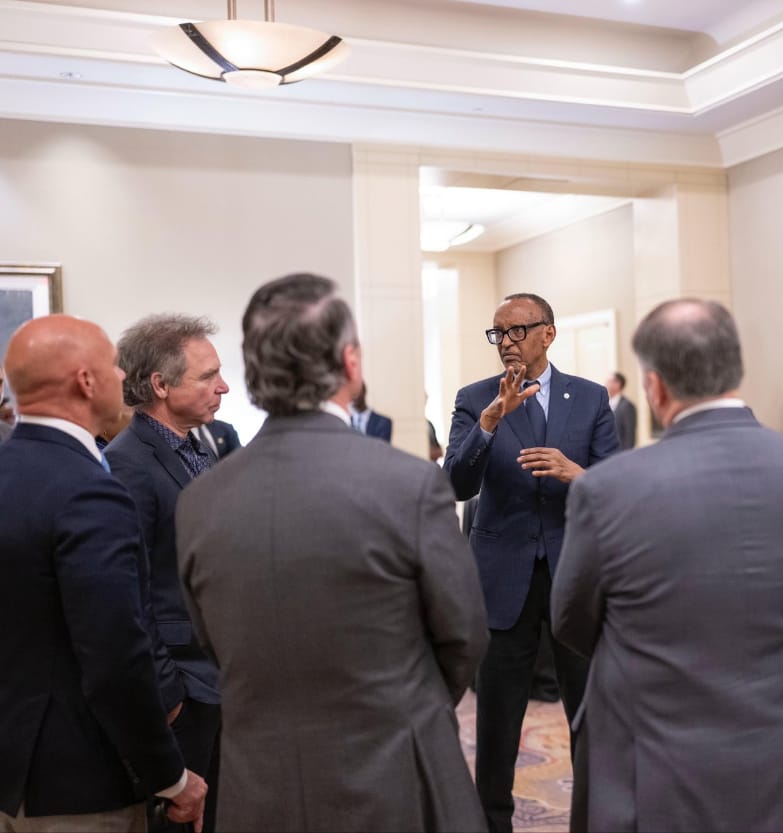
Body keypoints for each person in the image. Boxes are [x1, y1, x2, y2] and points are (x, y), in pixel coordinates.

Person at [175, 273, 489, 832]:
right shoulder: (409, 483)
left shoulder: (200, 500)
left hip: (259, 786)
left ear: (252, 373)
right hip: (396, 777)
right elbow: (463, 636)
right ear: (350, 363)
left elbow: (213, 641)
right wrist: (404, 705)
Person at [552, 299, 783, 832]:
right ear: (736, 369)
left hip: (652, 766)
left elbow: (571, 619)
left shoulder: (609, 487)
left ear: (655, 387)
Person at [0, 315, 207, 832]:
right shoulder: (89, 489)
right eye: (114, 367)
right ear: (86, 381)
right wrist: (171, 776)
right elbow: (115, 655)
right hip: (79, 782)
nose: (122, 377)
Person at [444, 292, 619, 832]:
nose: (506, 343)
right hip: (502, 579)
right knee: (498, 721)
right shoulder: (476, 398)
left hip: (574, 576)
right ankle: (492, 822)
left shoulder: (589, 398)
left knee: (589, 714)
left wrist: (575, 473)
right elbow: (454, 484)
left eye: (517, 331)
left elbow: (616, 487)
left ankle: (596, 820)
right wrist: (489, 424)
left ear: (548, 333)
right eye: (498, 333)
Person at [105, 314, 229, 833]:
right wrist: (169, 694)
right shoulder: (128, 463)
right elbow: (126, 592)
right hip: (183, 688)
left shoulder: (196, 447)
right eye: (208, 376)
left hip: (216, 677)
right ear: (160, 384)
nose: (224, 387)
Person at [605, 371, 636, 449]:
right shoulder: (605, 404)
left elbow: (629, 436)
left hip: (620, 453)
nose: (606, 383)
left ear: (617, 384)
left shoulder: (627, 406)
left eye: (610, 381)